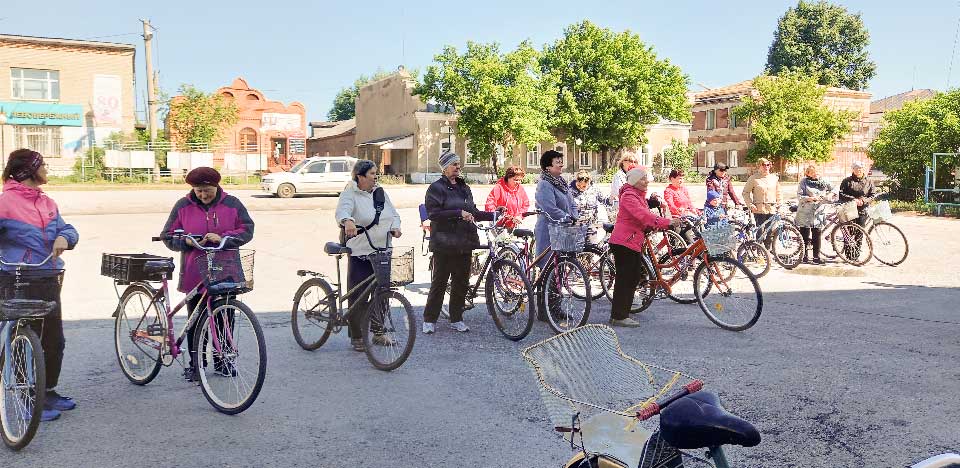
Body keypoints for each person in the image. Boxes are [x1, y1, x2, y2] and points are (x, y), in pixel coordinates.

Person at [0, 149, 79, 422]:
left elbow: (67, 228)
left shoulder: (47, 202)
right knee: (24, 340)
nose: (47, 168)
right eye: (43, 165)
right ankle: (27, 397)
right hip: (16, 277)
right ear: (28, 171)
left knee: (54, 340)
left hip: (48, 275)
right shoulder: (5, 202)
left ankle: (48, 390)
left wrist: (64, 239)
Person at [161, 167, 254, 381]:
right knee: (195, 319)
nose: (203, 195)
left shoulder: (232, 204)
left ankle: (224, 361)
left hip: (226, 271)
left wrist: (224, 237)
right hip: (195, 272)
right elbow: (167, 235)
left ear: (216, 187)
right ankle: (196, 365)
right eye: (199, 191)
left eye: (207, 191)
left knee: (225, 318)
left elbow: (247, 229)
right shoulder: (183, 205)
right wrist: (185, 240)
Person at [423, 152, 499, 334]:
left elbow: (473, 212)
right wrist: (457, 213)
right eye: (454, 164)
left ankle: (456, 318)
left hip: (464, 241)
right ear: (445, 167)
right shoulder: (436, 188)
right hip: (445, 242)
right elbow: (433, 214)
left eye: (458, 164)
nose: (458, 167)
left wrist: (496, 214)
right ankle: (429, 319)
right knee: (440, 282)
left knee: (461, 282)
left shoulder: (464, 187)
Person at [336, 160, 402, 351]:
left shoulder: (380, 192)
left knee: (382, 293)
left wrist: (396, 227)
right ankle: (356, 336)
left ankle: (378, 333)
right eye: (372, 173)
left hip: (382, 250)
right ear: (360, 176)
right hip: (360, 250)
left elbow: (393, 213)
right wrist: (347, 221)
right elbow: (343, 210)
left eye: (376, 173)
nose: (376, 177)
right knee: (358, 295)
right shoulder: (350, 192)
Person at [609, 166, 679, 327]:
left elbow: (644, 215)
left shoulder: (637, 195)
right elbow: (643, 216)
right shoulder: (629, 196)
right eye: (643, 179)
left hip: (631, 241)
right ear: (634, 181)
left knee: (633, 277)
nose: (646, 182)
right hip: (624, 242)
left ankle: (622, 312)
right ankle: (618, 316)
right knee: (625, 279)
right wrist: (666, 222)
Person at [796, 165, 833, 264]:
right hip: (806, 211)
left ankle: (816, 257)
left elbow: (833, 190)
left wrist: (829, 195)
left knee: (817, 234)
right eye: (812, 172)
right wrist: (810, 198)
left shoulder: (824, 181)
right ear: (807, 173)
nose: (815, 173)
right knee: (805, 234)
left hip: (819, 211)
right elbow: (799, 196)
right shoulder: (803, 182)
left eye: (816, 171)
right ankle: (804, 256)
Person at [742, 158, 782, 246]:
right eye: (763, 165)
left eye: (768, 165)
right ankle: (759, 252)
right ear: (759, 166)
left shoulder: (774, 178)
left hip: (771, 209)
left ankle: (767, 251)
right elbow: (745, 193)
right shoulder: (753, 178)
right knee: (760, 231)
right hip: (759, 209)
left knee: (770, 232)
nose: (766, 167)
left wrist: (779, 203)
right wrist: (750, 204)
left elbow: (778, 192)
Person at [569, 170, 610, 242]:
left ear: (589, 183)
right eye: (579, 185)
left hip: (591, 226)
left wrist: (612, 199)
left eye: (584, 186)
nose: (581, 188)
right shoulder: (569, 191)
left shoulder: (594, 189)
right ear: (576, 181)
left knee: (591, 248)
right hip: (575, 227)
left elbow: (604, 200)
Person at [484, 165, 529, 230]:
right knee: (503, 240)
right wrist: (495, 215)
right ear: (508, 178)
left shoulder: (520, 189)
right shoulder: (499, 187)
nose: (518, 182)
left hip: (514, 224)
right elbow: (490, 203)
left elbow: (525, 204)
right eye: (516, 180)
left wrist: (520, 215)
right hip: (499, 224)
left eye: (520, 180)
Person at [662, 169, 699, 243]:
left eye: (682, 178)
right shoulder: (668, 191)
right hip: (676, 220)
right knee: (675, 242)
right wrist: (678, 209)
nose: (681, 180)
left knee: (692, 242)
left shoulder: (683, 189)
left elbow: (689, 202)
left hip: (686, 219)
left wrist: (694, 210)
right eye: (679, 178)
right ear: (672, 179)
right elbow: (670, 205)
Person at [839, 161, 876, 229]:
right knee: (850, 232)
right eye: (855, 168)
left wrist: (863, 201)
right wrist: (853, 200)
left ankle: (858, 240)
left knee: (860, 231)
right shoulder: (846, 181)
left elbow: (872, 195)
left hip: (862, 209)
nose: (858, 170)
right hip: (849, 209)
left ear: (863, 169)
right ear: (853, 169)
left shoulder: (869, 181)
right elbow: (841, 194)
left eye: (860, 168)